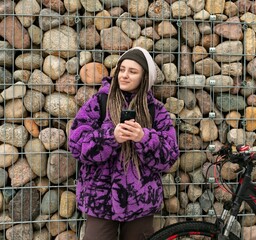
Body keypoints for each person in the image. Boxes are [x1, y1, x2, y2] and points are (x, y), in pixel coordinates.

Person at [68, 47, 179, 240]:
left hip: (141, 202)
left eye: (133, 72)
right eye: (122, 69)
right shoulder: (99, 102)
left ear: (145, 77)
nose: (124, 75)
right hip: (100, 200)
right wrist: (111, 137)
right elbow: (77, 145)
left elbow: (169, 157)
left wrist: (144, 138)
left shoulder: (156, 110)